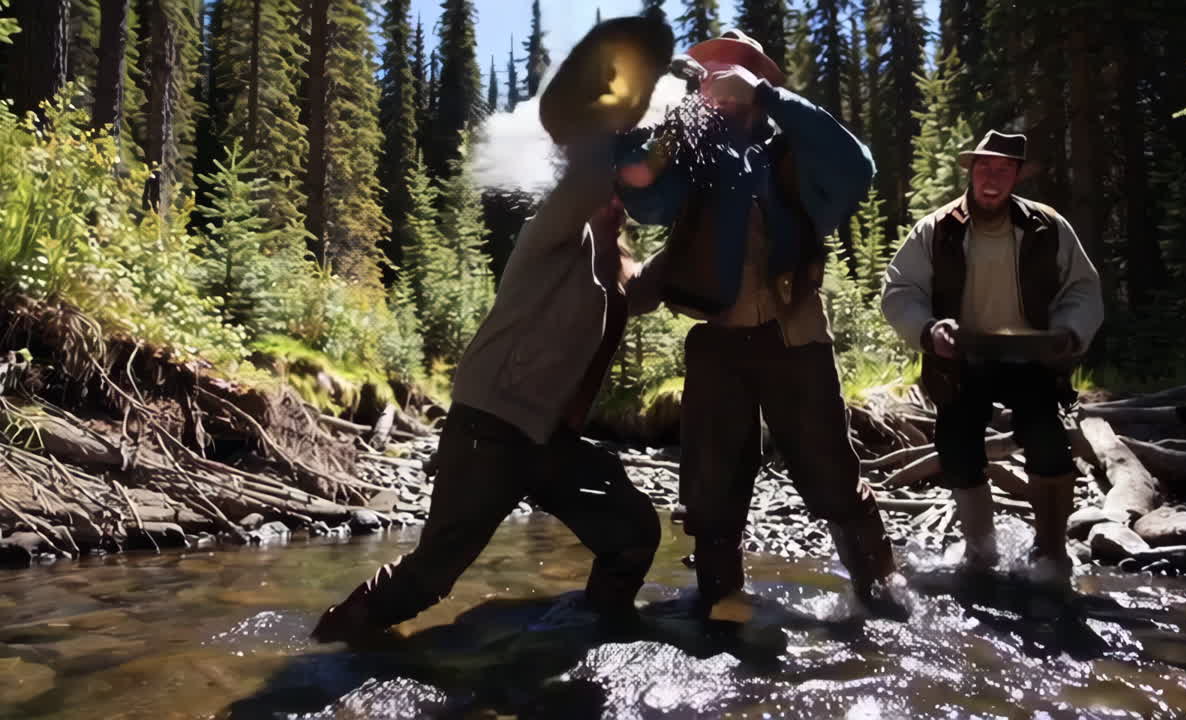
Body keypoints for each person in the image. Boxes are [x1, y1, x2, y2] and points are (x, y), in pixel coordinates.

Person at [311, 141, 659, 643]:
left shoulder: (620, 268)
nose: (617, 196)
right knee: (430, 578)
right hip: (489, 427)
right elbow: (584, 181)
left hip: (550, 439)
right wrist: (633, 133)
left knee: (633, 533)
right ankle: (328, 651)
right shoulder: (554, 230)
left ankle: (595, 631)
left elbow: (669, 278)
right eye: (613, 184)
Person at [616, 29, 905, 618]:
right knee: (711, 488)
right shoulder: (691, 149)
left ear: (756, 81)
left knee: (829, 475)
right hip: (717, 344)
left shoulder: (792, 148)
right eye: (706, 77)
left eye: (728, 75)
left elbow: (858, 168)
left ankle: (883, 599)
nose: (714, 86)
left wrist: (769, 97)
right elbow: (644, 200)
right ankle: (720, 608)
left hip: (792, 336)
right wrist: (668, 123)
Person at [881, 130, 1104, 584]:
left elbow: (1081, 289)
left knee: (1048, 445)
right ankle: (981, 555)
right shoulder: (937, 228)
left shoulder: (1048, 225)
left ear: (1016, 176)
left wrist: (1070, 331)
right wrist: (928, 330)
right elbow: (901, 290)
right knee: (958, 450)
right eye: (984, 166)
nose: (992, 176)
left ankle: (1051, 554)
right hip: (961, 358)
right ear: (971, 170)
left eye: (1003, 168)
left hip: (1033, 358)